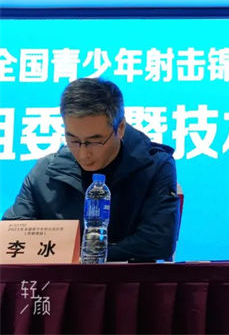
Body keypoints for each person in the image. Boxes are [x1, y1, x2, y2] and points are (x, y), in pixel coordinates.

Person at [3, 78, 179, 261]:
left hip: (129, 278)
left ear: (120, 128)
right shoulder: (45, 173)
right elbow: (11, 236)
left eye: (95, 141)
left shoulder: (154, 167)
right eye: (73, 140)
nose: (83, 153)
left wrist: (85, 258)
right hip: (59, 278)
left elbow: (158, 241)